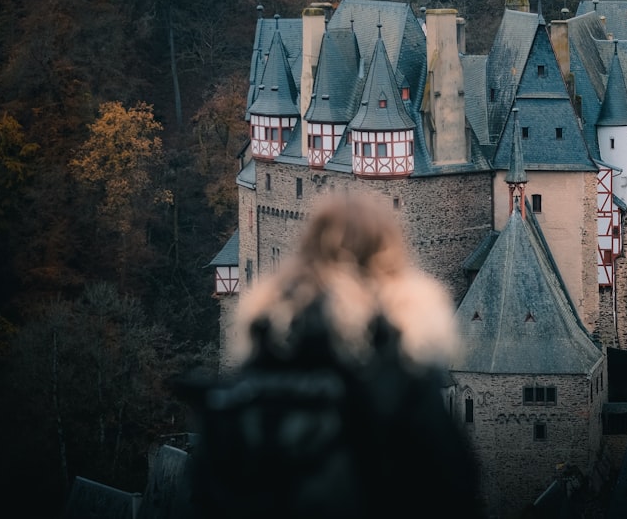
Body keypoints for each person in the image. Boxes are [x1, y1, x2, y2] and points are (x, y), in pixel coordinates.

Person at [179, 191, 485, 518]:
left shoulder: (240, 394)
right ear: (390, 263)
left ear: (304, 254)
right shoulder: (401, 387)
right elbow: (457, 494)